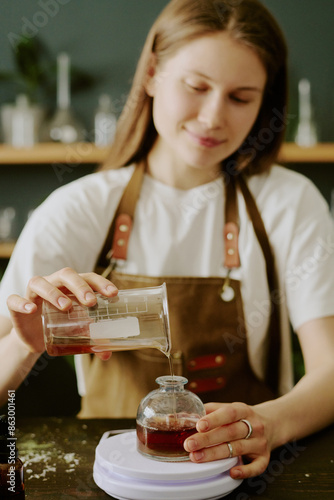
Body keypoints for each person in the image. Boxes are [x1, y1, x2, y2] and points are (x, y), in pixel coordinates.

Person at [1, 0, 334, 481]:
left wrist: (271, 422)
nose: (213, 117)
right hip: (111, 477)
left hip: (241, 472)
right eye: (197, 86)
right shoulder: (77, 208)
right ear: (153, 73)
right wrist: (23, 344)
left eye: (241, 97)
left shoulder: (289, 201)